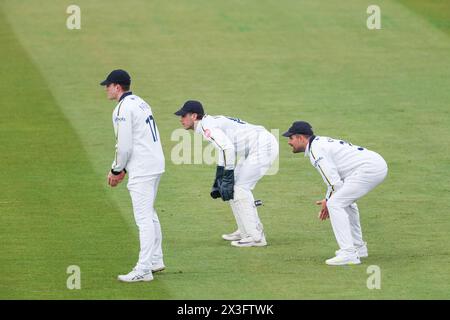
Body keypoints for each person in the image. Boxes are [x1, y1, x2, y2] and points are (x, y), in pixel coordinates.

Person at [174, 100, 278, 247]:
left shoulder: (206, 127)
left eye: (184, 115)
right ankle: (245, 230)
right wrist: (219, 177)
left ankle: (256, 237)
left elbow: (227, 149)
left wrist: (227, 175)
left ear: (194, 116)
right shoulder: (207, 123)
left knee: (240, 187)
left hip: (263, 146)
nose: (181, 119)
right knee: (230, 187)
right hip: (255, 147)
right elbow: (222, 149)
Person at [283, 121, 388, 265]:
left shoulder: (316, 151)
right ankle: (358, 248)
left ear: (301, 138)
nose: (289, 142)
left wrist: (328, 201)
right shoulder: (319, 143)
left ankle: (348, 253)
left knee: (335, 204)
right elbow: (335, 183)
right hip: (373, 164)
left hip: (369, 169)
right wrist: (328, 198)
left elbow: (334, 183)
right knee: (341, 202)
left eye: (291, 138)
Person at [100, 69, 166, 282]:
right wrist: (124, 169)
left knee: (143, 218)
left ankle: (144, 269)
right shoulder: (140, 102)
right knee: (150, 213)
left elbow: (125, 146)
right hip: (154, 163)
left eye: (108, 85)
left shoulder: (122, 108)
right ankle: (155, 259)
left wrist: (116, 170)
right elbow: (140, 139)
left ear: (117, 87)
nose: (106, 89)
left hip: (143, 168)